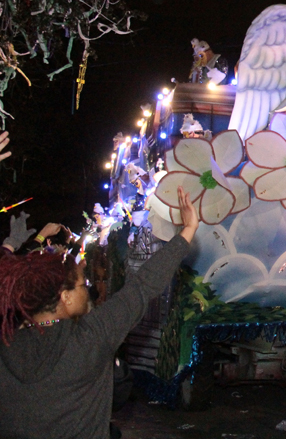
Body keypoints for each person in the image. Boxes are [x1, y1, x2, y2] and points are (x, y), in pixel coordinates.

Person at [0, 186, 198, 439]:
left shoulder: (6, 342)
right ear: (66, 297)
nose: (88, 288)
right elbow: (142, 285)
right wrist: (188, 231)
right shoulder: (90, 337)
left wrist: (10, 247)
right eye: (83, 284)